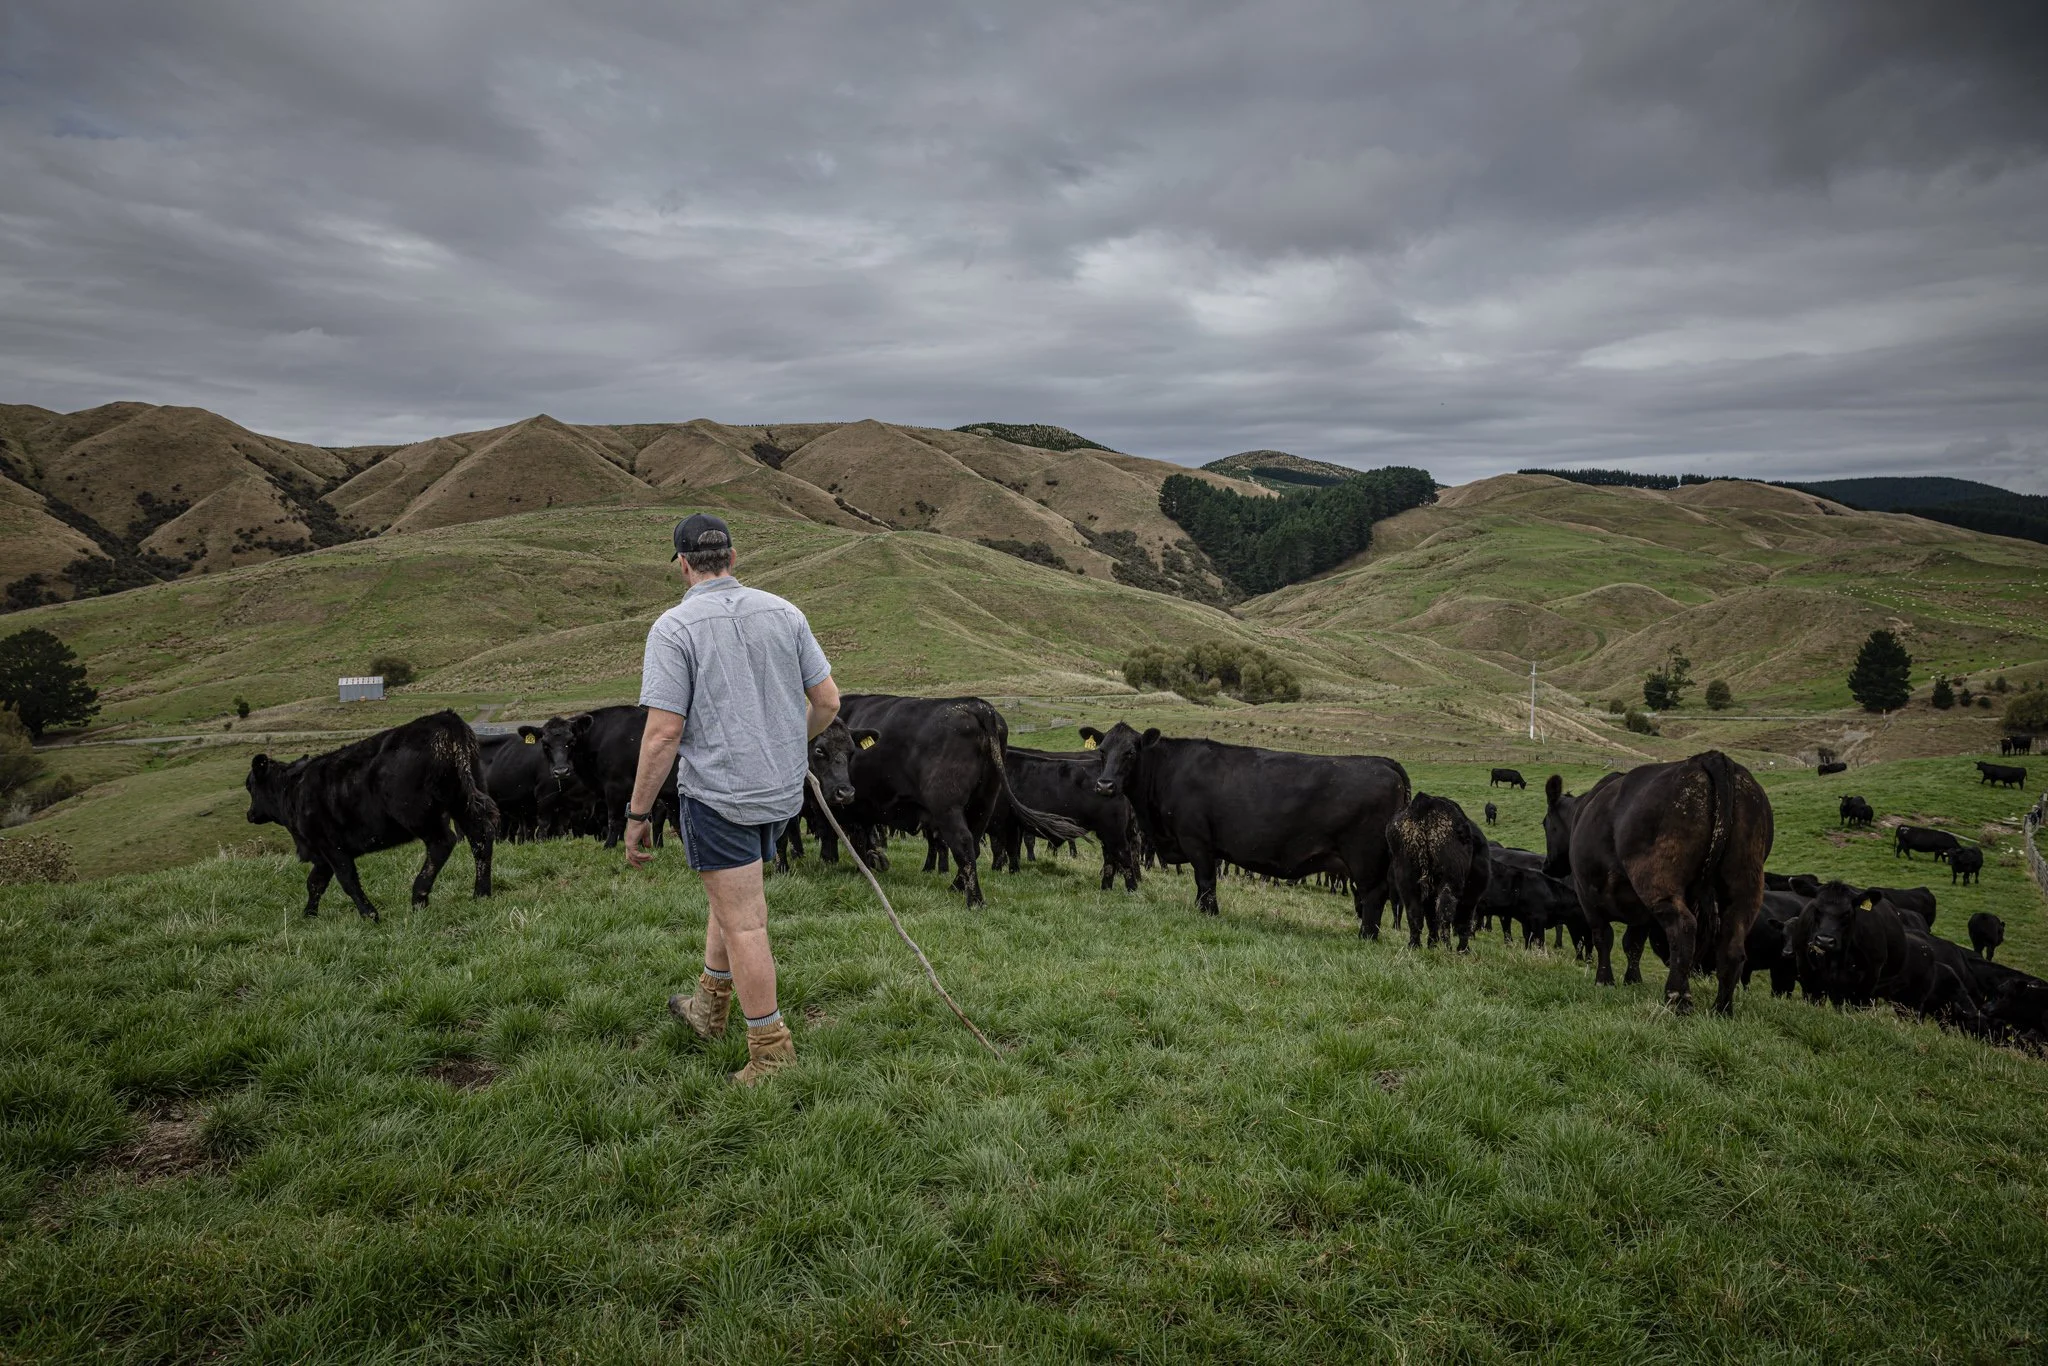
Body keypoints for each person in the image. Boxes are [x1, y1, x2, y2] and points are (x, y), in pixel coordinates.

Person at [623, 513, 840, 1084]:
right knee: (734, 900)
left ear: (683, 563)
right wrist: (787, 744)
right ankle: (706, 1010)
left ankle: (769, 1051)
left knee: (746, 924)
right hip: (779, 790)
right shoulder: (785, 612)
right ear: (734, 558)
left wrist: (638, 812)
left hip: (720, 795)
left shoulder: (674, 628)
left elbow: (664, 733)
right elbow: (828, 703)